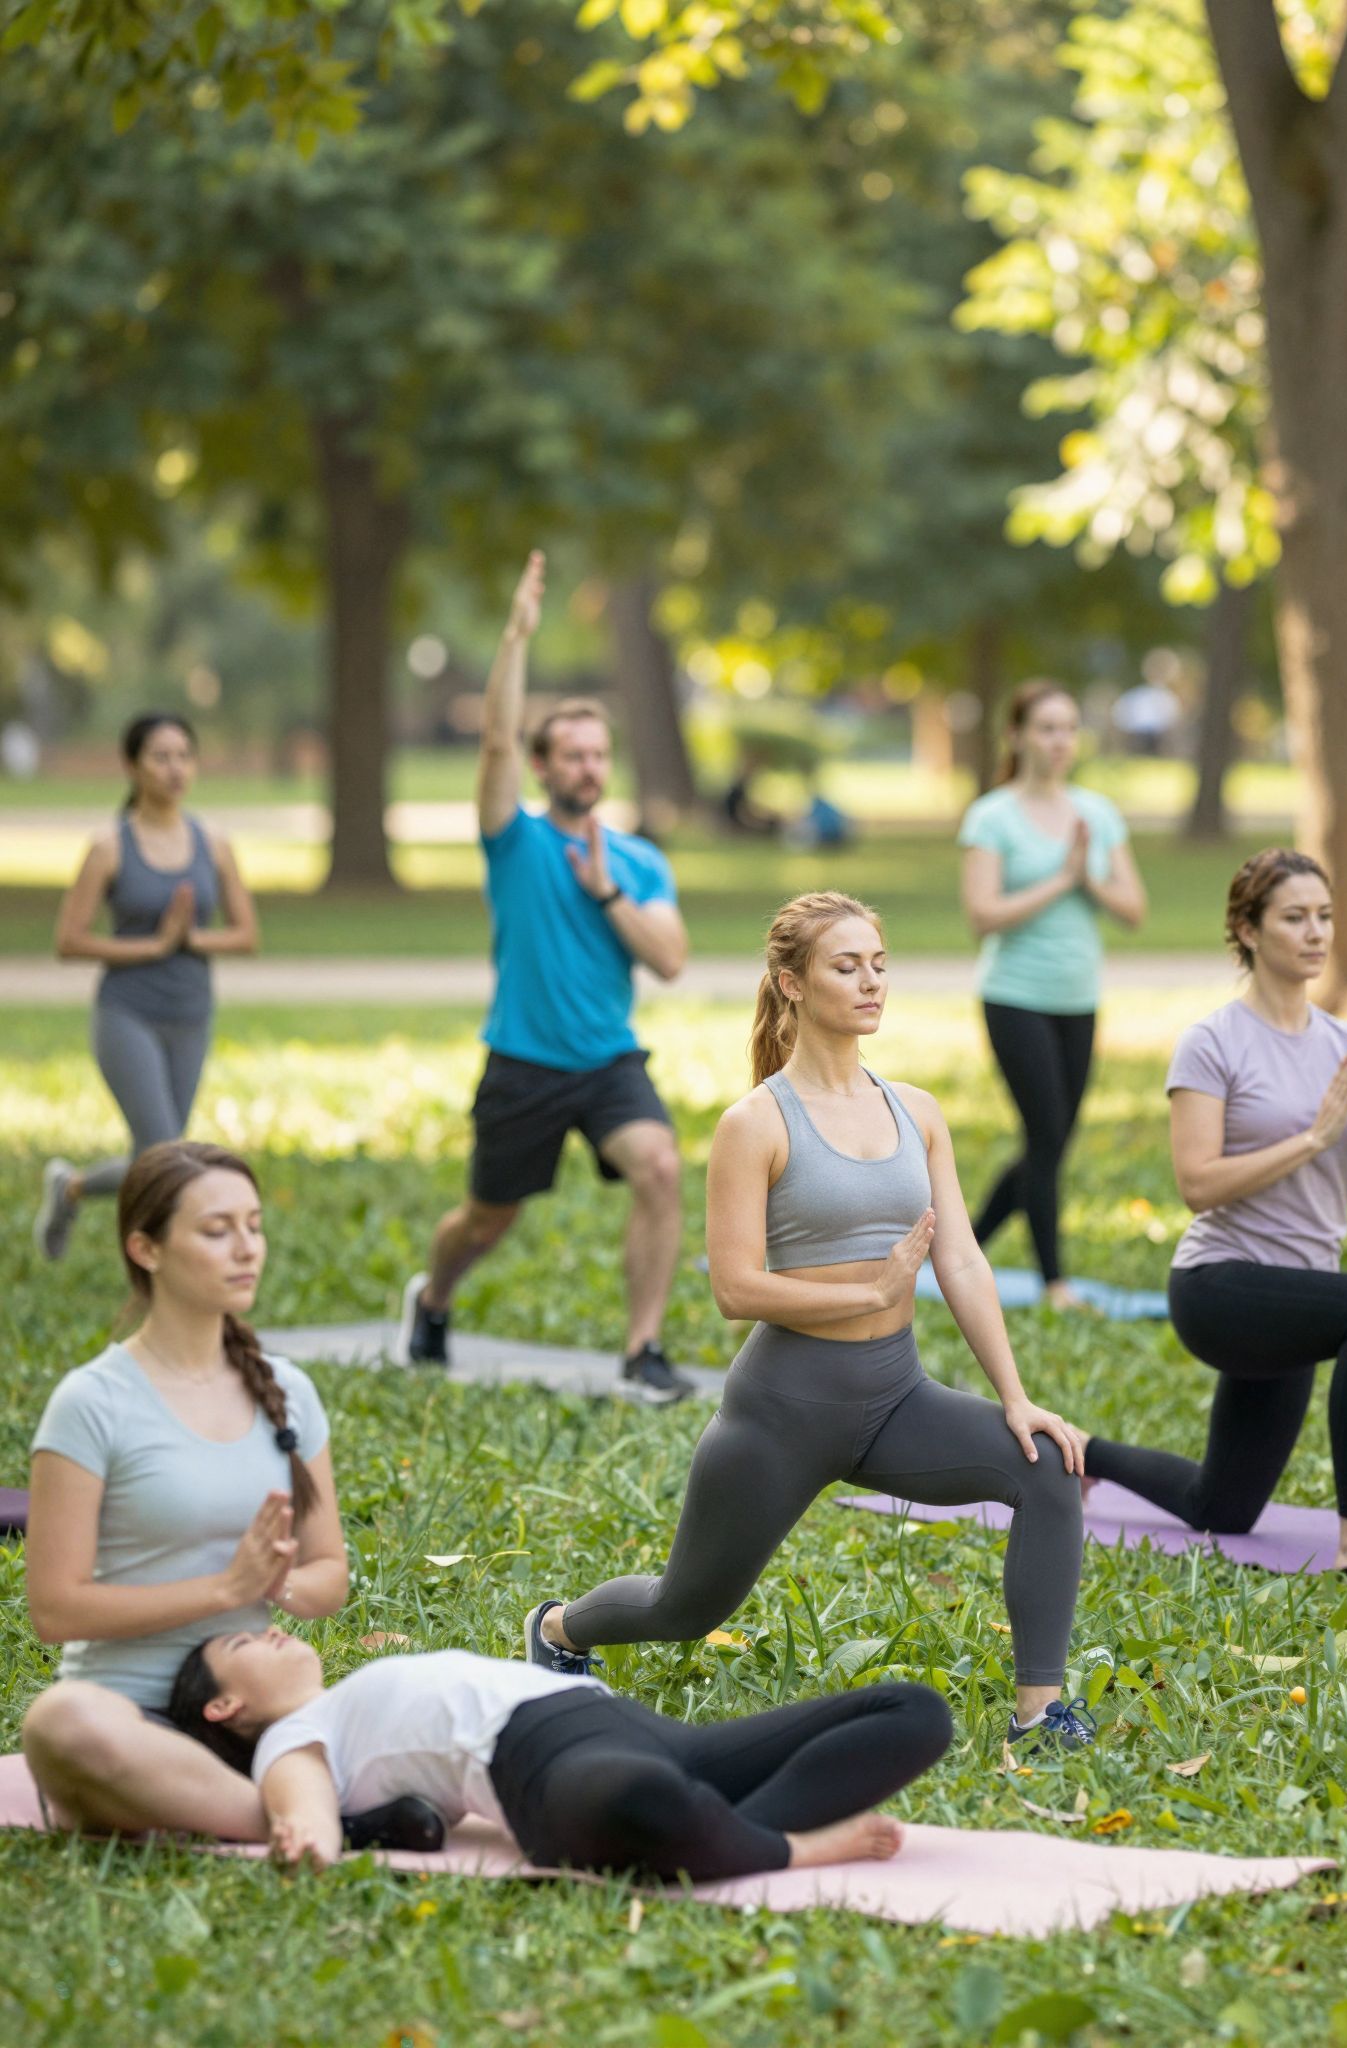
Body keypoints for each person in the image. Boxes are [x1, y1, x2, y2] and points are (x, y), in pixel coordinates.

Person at [525, 892, 1097, 1760]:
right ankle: (560, 1630)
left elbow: (965, 1263)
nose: (871, 982)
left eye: (879, 963)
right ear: (791, 984)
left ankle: (1040, 1714)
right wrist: (866, 1296)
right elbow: (735, 1288)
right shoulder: (754, 1123)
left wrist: (1016, 1399)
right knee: (688, 1608)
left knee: (1047, 1465)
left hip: (896, 1397)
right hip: (783, 1411)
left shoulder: (917, 1110)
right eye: (846, 966)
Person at [1082, 850, 1347, 1577]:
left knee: (1223, 1507)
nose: (1315, 933)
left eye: (1325, 917)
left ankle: (1085, 1452)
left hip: (1296, 1300)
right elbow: (1198, 1183)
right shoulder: (1212, 1042)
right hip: (1220, 1287)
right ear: (1248, 930)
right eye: (1294, 918)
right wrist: (1307, 1140)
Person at [397, 552, 692, 1404]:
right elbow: (493, 738)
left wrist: (606, 893)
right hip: (523, 1060)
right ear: (542, 765)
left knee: (661, 1167)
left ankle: (642, 1348)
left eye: (600, 754)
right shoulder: (514, 841)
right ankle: (435, 1297)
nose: (589, 768)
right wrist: (517, 635)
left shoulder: (635, 861)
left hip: (608, 1062)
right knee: (487, 1220)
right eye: (571, 754)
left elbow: (670, 959)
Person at [21, 1142, 347, 1841]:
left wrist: (276, 1583)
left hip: (256, 1719)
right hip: (127, 1721)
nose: (246, 1249)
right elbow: (54, 1609)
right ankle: (290, 1817)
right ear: (146, 1248)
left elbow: (330, 1577)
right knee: (58, 1723)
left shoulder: (289, 1392)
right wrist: (226, 1591)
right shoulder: (91, 1403)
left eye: (254, 1226)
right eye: (216, 1230)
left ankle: (264, 1805)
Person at [169, 1631, 953, 1880]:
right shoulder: (287, 1739)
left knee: (916, 1712)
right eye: (246, 1642)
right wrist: (306, 1838)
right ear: (223, 1706)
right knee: (645, 1798)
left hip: (628, 1723)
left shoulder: (346, 1697)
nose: (271, 1630)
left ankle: (720, 1837)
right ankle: (788, 1848)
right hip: (541, 1767)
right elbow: (303, 1807)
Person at [35, 712, 259, 1261]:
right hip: (127, 1012)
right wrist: (153, 947)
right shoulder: (110, 846)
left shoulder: (214, 842)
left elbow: (247, 933)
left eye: (184, 755)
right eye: (161, 757)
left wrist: (190, 940)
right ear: (133, 767)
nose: (175, 768)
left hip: (191, 1012)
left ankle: (71, 1188)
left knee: (158, 1158)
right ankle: (156, 1278)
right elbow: (69, 940)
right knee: (166, 1155)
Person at [959, 683, 1146, 1309]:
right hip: (1014, 995)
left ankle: (968, 1242)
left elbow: (1134, 909)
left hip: (1079, 997)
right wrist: (1061, 880)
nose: (1060, 741)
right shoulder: (992, 816)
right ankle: (1053, 1281)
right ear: (1016, 736)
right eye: (1045, 728)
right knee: (1044, 1137)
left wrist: (1085, 878)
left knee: (1053, 1142)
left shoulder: (1097, 813)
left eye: (1068, 728)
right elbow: (983, 914)